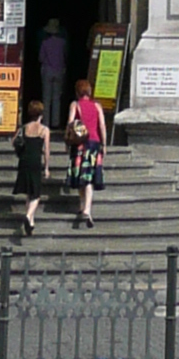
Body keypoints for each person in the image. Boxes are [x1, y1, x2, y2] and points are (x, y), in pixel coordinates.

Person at [66, 79, 106, 230]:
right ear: (89, 91)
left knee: (80, 175)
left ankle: (83, 205)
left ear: (77, 91)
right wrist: (105, 144)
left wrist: (67, 143)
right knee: (89, 177)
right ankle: (87, 210)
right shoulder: (97, 106)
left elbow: (71, 124)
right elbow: (102, 125)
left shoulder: (75, 105)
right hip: (94, 143)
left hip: (79, 144)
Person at [14, 104, 50, 235]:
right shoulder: (44, 130)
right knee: (37, 194)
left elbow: (14, 141)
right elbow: (46, 151)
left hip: (23, 161)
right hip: (35, 162)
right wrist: (46, 167)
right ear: (41, 114)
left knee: (29, 193)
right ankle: (28, 216)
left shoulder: (23, 128)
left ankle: (31, 223)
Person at [36, 19, 69, 130]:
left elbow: (41, 58)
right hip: (59, 70)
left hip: (47, 71)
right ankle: (56, 122)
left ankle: (46, 122)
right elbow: (65, 56)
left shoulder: (45, 43)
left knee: (46, 97)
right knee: (56, 98)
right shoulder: (62, 43)